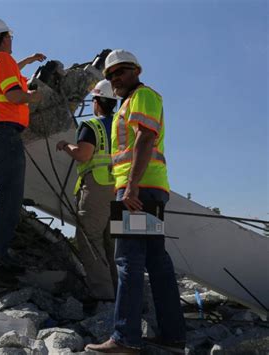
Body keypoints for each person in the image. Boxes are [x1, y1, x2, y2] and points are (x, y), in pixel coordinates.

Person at [85, 50, 186, 353]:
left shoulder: (143, 96)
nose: (115, 78)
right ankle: (172, 336)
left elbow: (145, 139)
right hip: (147, 189)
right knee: (156, 262)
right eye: (111, 75)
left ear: (136, 71)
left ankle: (125, 338)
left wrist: (130, 188)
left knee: (128, 260)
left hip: (137, 190)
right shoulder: (130, 102)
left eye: (121, 72)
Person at [0, 17, 46, 282]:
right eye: (10, 37)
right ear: (5, 38)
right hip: (5, 136)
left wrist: (27, 61)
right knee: (7, 201)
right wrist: (34, 96)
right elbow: (14, 95)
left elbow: (7, 72)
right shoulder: (3, 61)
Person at [56, 79, 118, 301]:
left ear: (97, 101)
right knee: (112, 243)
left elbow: (83, 155)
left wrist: (65, 145)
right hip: (121, 190)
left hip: (99, 187)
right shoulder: (123, 127)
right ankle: (119, 293)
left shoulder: (92, 126)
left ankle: (104, 296)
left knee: (90, 240)